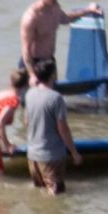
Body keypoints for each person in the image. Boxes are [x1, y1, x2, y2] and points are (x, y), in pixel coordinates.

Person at [20, 0, 103, 86]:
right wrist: (32, 74)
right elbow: (25, 49)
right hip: (34, 63)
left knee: (52, 96)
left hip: (49, 61)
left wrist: (88, 10)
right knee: (30, 100)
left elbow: (66, 18)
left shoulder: (55, 7)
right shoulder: (31, 17)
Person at [25, 58, 82, 195]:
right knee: (56, 198)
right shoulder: (56, 98)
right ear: (53, 75)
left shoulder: (29, 94)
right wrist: (74, 153)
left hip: (33, 156)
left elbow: (27, 121)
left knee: (40, 194)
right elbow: (63, 129)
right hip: (51, 157)